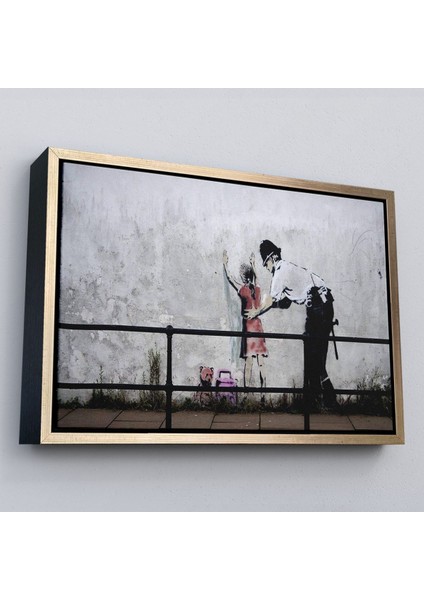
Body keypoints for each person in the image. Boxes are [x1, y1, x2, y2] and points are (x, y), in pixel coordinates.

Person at [245, 239, 339, 412]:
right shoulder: (288, 269)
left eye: (266, 263)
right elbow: (285, 303)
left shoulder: (280, 272)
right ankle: (320, 401)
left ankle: (323, 401)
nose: (266, 267)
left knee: (314, 355)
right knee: (314, 355)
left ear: (273, 258)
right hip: (322, 305)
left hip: (318, 306)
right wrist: (270, 305)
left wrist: (256, 312)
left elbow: (271, 300)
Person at [223, 250, 267, 400]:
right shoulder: (258, 288)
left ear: (243, 277)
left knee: (249, 362)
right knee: (261, 362)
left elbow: (230, 278)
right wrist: (254, 264)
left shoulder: (243, 290)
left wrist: (225, 264)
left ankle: (246, 395)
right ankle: (264, 392)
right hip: (258, 326)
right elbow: (257, 277)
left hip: (249, 326)